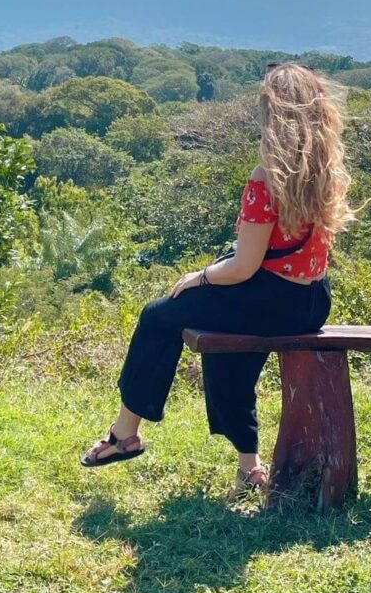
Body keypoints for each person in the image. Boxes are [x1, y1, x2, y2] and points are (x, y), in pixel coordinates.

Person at [79, 61, 354, 495]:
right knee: (226, 342)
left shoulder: (266, 179)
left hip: (266, 297)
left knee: (157, 317)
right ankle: (250, 468)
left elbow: (243, 267)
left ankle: (124, 433)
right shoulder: (329, 172)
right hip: (311, 302)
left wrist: (200, 277)